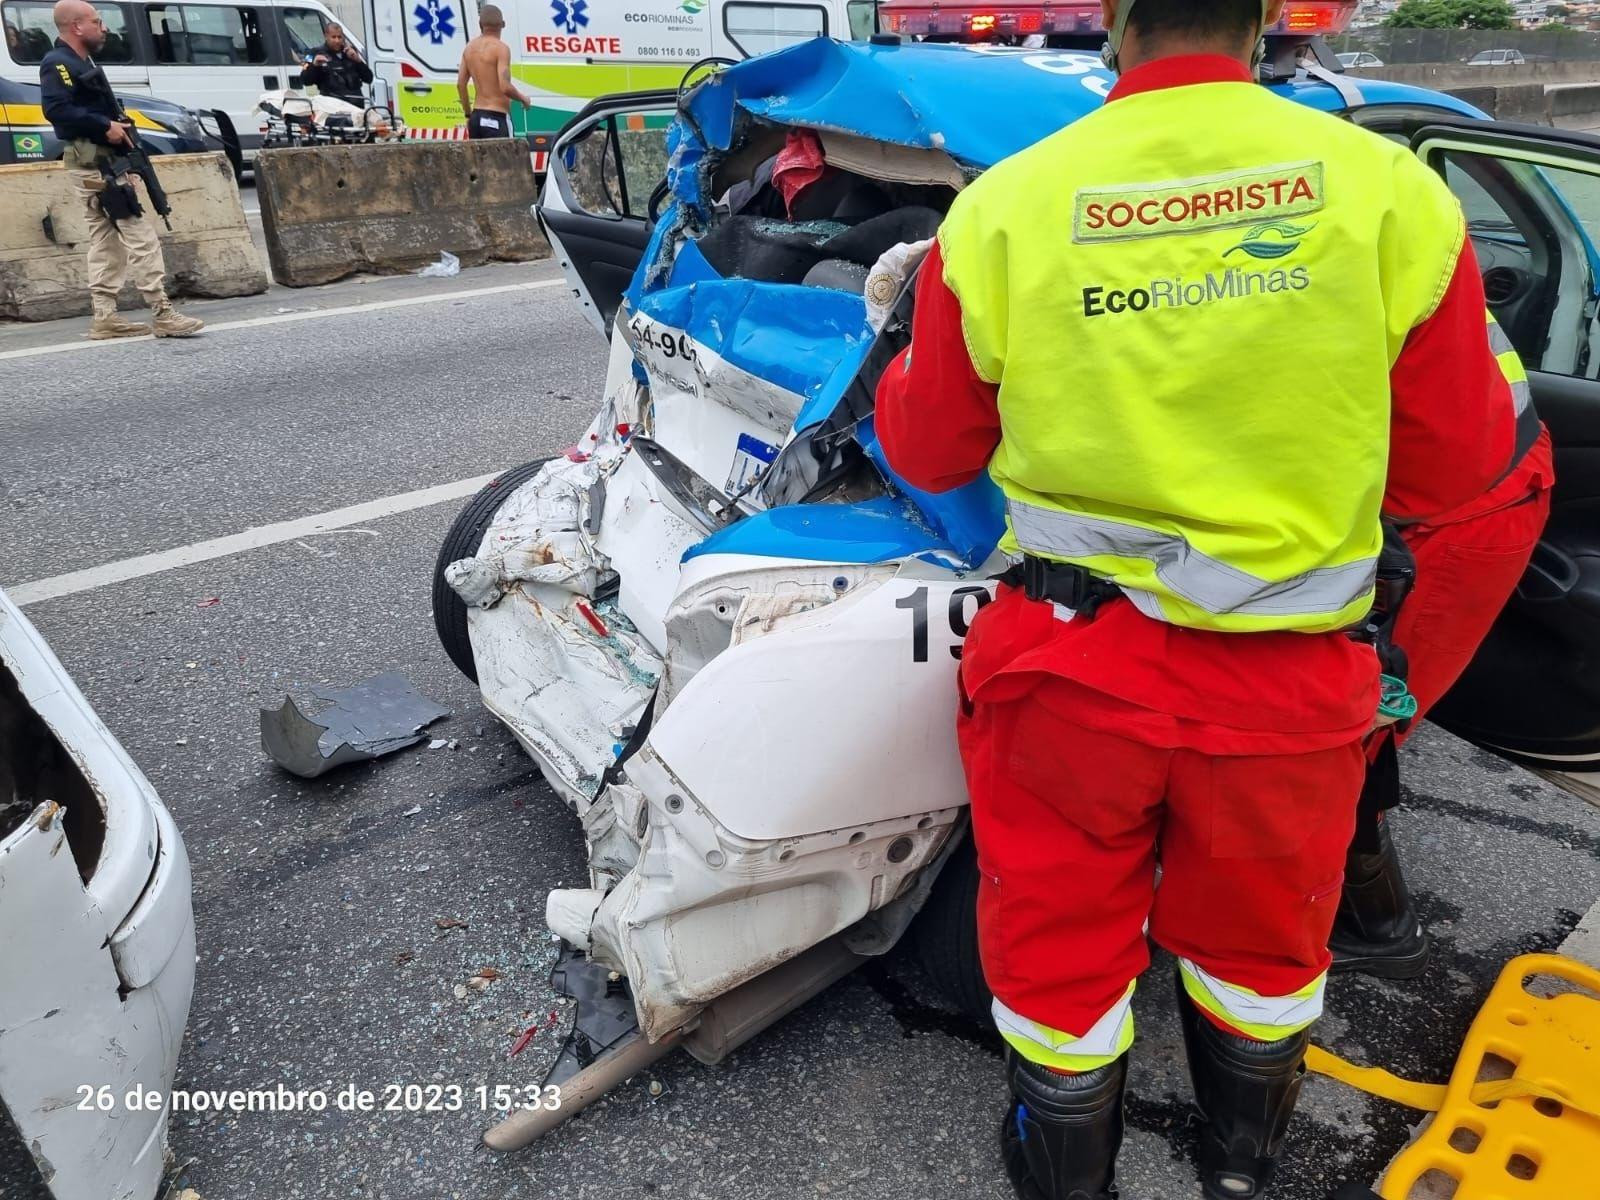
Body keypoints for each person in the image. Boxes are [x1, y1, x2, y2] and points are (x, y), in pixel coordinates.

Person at [873, 0, 1525, 1196]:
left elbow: (929, 450)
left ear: (1115, 21)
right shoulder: (1388, 195)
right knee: (1264, 946)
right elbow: (1455, 468)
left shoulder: (1008, 205)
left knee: (1059, 938)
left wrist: (904, 330)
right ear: (1267, 16)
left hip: (1067, 669)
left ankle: (1065, 1172)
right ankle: (1241, 1161)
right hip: (1287, 686)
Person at [1330, 409, 1551, 978]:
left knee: (1347, 732)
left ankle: (1379, 928)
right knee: (1338, 726)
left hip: (1455, 513)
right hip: (1423, 498)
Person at [39, 0, 202, 339]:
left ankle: (105, 316)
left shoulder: (82, 61)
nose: (105, 28)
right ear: (77, 27)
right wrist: (104, 125)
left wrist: (117, 127)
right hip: (96, 165)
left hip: (102, 164)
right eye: (97, 21)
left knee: (104, 240)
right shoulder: (59, 63)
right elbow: (56, 110)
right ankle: (162, 312)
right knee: (140, 235)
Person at [457, 4, 528, 140]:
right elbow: (505, 87)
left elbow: (460, 85)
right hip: (497, 117)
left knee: (479, 161)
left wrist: (468, 114)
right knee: (506, 160)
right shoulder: (501, 49)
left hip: (476, 118)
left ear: (480, 24)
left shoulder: (469, 48)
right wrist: (523, 99)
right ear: (503, 24)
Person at [299, 22, 373, 110]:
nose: (337, 41)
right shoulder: (314, 53)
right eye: (333, 37)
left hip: (355, 108)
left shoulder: (350, 52)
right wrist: (314, 66)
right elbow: (305, 81)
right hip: (332, 108)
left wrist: (358, 61)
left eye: (339, 37)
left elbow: (369, 78)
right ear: (326, 36)